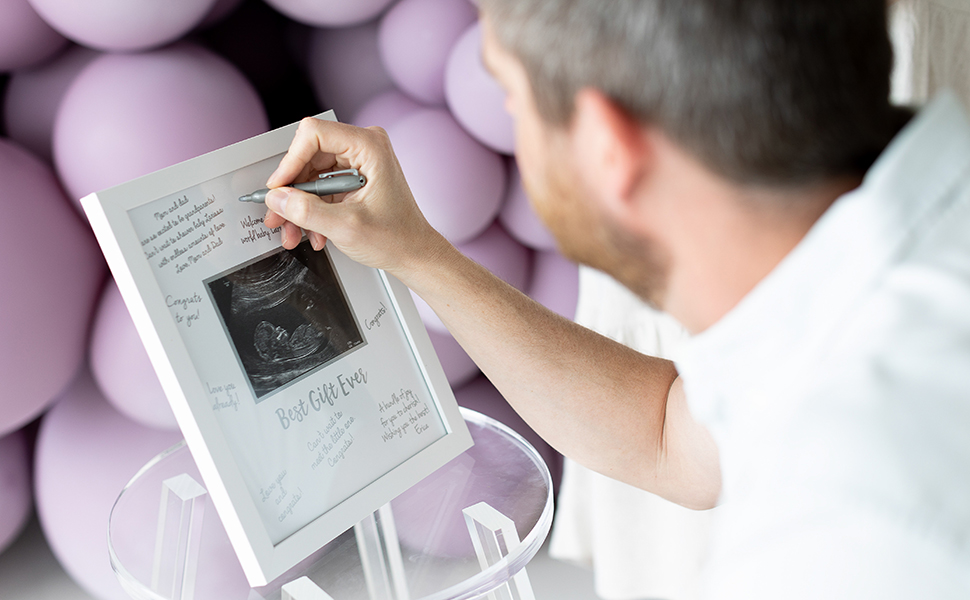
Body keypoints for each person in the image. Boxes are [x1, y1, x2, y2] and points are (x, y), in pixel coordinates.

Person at [261, 1, 970, 597]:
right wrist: (414, 252)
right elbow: (672, 435)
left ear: (607, 146)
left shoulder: (850, 538)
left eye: (509, 95)